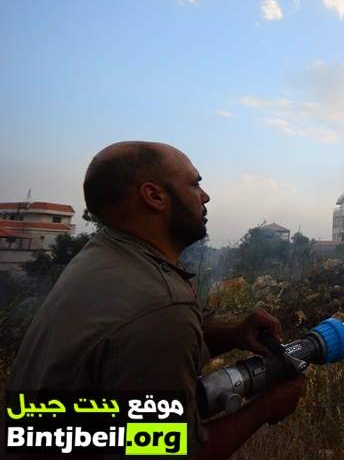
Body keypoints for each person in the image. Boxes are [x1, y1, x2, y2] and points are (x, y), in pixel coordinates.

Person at [7, 141, 305, 459]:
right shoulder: (161, 306)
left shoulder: (103, 256)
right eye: (194, 184)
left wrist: (232, 334)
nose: (205, 196)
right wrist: (265, 407)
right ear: (154, 196)